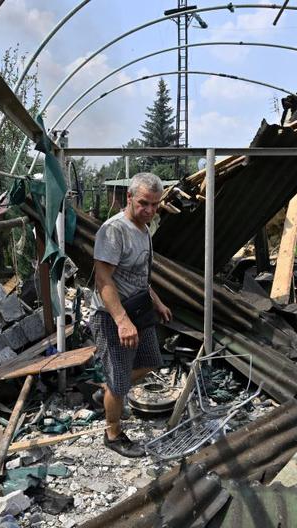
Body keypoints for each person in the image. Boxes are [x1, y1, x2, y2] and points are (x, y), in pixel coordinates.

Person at [91, 172, 172, 457]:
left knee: (151, 361)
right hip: (113, 316)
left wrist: (157, 301)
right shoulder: (115, 230)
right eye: (143, 203)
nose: (149, 210)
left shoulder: (144, 229)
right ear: (128, 197)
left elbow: (139, 276)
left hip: (138, 309)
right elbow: (103, 280)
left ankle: (108, 392)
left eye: (155, 204)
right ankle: (112, 433)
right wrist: (122, 321)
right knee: (119, 380)